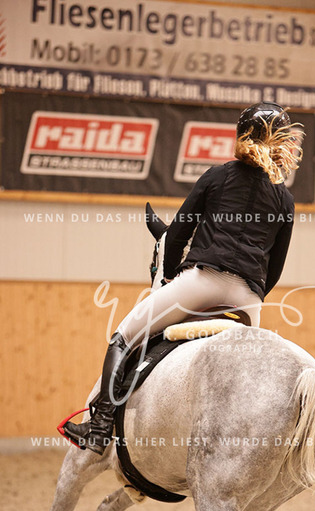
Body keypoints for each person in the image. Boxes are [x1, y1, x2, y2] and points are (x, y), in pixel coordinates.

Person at [62, 102, 302, 455]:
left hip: (201, 283)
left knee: (122, 338)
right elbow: (275, 266)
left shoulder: (217, 176)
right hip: (248, 300)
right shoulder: (285, 199)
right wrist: (253, 294)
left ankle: (99, 428)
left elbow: (175, 236)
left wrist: (171, 279)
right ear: (282, 143)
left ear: (241, 136)